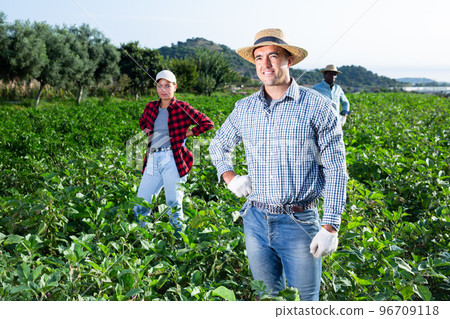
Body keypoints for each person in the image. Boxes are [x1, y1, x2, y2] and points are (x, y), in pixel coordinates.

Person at [208, 29, 347, 300]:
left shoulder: (317, 107)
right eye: (259, 58)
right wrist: (230, 176)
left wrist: (330, 226)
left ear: (289, 60)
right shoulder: (244, 108)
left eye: (273, 56)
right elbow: (218, 145)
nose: (266, 64)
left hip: (299, 222)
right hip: (256, 221)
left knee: (304, 302)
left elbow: (336, 170)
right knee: (267, 299)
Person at [134, 70, 214, 232]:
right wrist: (149, 133)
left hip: (173, 158)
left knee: (173, 204)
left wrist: (188, 133)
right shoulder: (151, 106)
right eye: (160, 86)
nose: (163, 90)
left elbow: (207, 123)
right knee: (141, 201)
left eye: (167, 86)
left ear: (175, 87)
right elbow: (143, 122)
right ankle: (140, 237)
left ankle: (178, 240)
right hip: (153, 158)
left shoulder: (182, 108)